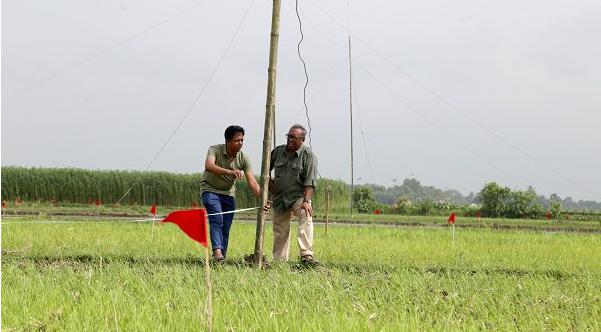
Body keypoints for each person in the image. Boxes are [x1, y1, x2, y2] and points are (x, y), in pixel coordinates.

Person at [201, 125, 261, 262]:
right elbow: (209, 166)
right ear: (227, 140)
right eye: (237, 140)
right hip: (210, 190)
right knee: (217, 220)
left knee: (226, 226)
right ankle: (217, 252)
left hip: (228, 194)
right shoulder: (214, 149)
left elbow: (252, 181)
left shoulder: (244, 158)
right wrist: (230, 172)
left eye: (242, 140)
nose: (240, 143)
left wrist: (263, 199)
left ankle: (222, 257)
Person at [269, 124, 318, 265]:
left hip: (299, 196)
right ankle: (280, 261)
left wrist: (306, 201)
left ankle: (306, 255)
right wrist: (268, 181)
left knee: (305, 214)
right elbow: (265, 168)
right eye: (289, 136)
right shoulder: (277, 152)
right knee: (280, 229)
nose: (290, 140)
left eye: (294, 138)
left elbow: (310, 181)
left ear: (302, 139)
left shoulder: (308, 155)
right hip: (280, 197)